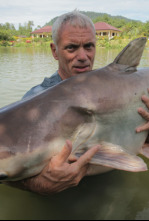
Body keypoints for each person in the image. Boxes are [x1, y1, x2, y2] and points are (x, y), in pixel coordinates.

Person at [5, 11, 149, 195]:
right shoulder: (33, 100)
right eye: (71, 48)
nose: (82, 56)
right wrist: (38, 185)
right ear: (54, 51)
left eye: (89, 46)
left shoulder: (115, 82)